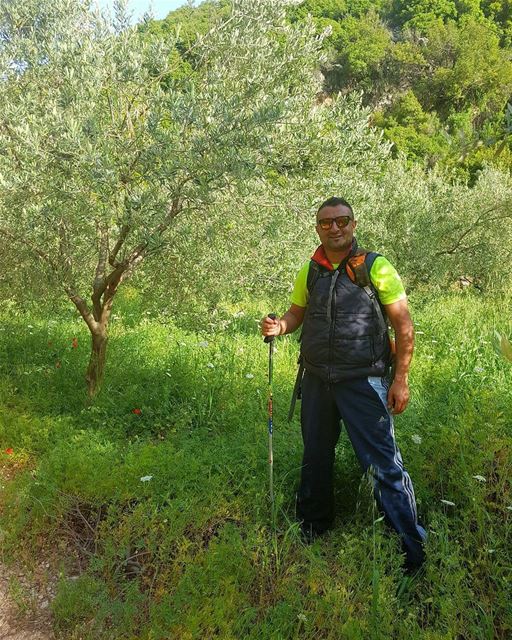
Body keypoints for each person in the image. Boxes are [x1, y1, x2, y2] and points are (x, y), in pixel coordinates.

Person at [261, 196, 426, 573]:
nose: (335, 227)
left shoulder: (376, 266)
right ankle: (313, 529)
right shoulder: (311, 270)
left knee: (383, 465)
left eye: (342, 220)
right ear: (317, 227)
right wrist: (279, 326)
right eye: (326, 222)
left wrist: (400, 380)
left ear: (353, 224)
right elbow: (296, 314)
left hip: (364, 381)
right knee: (315, 457)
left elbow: (403, 326)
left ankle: (411, 550)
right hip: (317, 379)